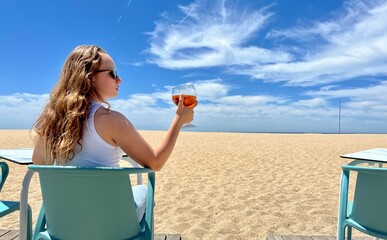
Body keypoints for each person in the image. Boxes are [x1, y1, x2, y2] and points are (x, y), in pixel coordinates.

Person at [32, 45, 197, 222]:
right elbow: (155, 162)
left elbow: (38, 161)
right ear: (89, 77)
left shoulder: (51, 122)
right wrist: (179, 120)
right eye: (113, 72)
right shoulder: (112, 120)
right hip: (110, 226)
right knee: (143, 191)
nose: (120, 80)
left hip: (64, 223)